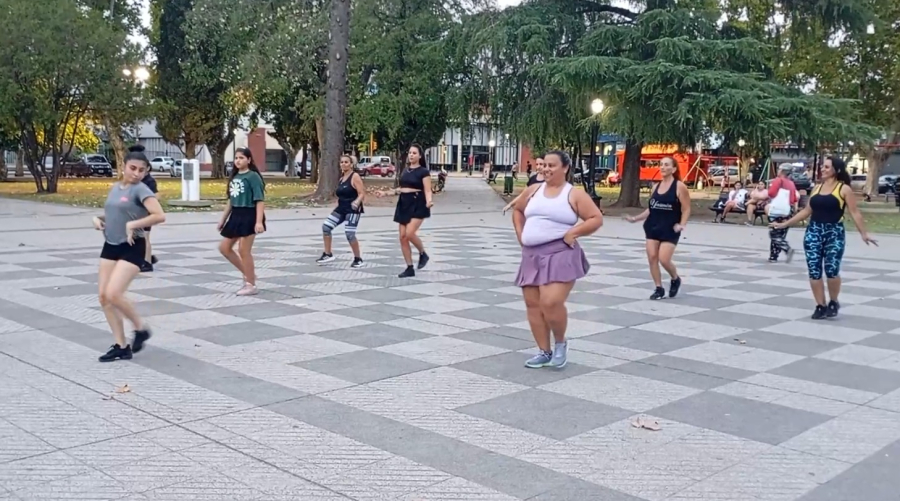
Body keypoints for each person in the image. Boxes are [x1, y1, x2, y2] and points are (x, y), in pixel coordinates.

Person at [513, 151, 603, 369]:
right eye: (544, 165)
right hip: (531, 254)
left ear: (565, 168)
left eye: (552, 165)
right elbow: (517, 210)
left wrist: (574, 232)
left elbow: (596, 218)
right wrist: (521, 236)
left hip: (560, 253)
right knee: (533, 304)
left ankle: (561, 343)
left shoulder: (574, 194)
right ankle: (544, 351)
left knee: (550, 301)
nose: (546, 169)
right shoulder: (534, 190)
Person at [771, 157, 877, 319]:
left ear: (836, 170)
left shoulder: (843, 189)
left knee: (832, 270)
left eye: (827, 167)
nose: (823, 169)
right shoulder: (817, 188)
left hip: (834, 233)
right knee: (814, 271)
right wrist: (785, 224)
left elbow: (854, 212)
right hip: (814, 232)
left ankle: (833, 301)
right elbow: (807, 211)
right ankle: (820, 305)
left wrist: (864, 233)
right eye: (823, 166)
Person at [94, 145, 166, 362]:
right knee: (104, 297)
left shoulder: (142, 190)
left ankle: (141, 328)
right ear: (123, 167)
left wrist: (134, 224)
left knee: (114, 293)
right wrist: (97, 220)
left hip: (133, 245)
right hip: (110, 244)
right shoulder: (116, 187)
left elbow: (159, 215)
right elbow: (113, 214)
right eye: (132, 168)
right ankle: (121, 345)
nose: (136, 173)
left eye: (141, 170)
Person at [625, 156, 691, 300]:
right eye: (661, 164)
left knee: (664, 259)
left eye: (666, 165)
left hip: (670, 228)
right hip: (653, 226)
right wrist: (635, 219)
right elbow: (651, 209)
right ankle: (658, 288)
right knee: (652, 258)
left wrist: (682, 224)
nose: (662, 167)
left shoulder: (679, 187)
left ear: (673, 169)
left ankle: (675, 278)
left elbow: (686, 209)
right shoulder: (655, 187)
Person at [376, 144, 433, 277]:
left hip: (418, 203)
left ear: (420, 156)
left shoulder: (424, 172)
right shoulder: (405, 170)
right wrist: (386, 193)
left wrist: (429, 201)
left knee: (409, 233)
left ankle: (422, 253)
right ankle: (409, 267)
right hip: (403, 203)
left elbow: (428, 189)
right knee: (402, 237)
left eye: (414, 153)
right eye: (410, 153)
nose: (411, 155)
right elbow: (401, 189)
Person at [217, 148, 266, 296]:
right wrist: (223, 219)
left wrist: (258, 222)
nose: (238, 161)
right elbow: (231, 201)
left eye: (242, 158)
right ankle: (248, 273)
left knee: (244, 250)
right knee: (224, 248)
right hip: (236, 215)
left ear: (249, 160)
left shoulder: (253, 177)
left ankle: (250, 284)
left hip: (249, 214)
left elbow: (260, 201)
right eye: (236, 158)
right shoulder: (235, 177)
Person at [317, 155, 365, 268]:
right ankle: (328, 254)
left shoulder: (355, 176)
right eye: (342, 162)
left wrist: (357, 202)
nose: (343, 164)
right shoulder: (341, 178)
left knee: (350, 234)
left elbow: (362, 193)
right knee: (326, 227)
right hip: (341, 209)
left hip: (352, 210)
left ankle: (358, 259)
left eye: (346, 162)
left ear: (351, 164)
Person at [766, 164, 799, 262]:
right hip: (787, 211)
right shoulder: (791, 183)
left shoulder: (778, 180)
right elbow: (793, 199)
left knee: (774, 234)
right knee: (780, 234)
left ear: (782, 171)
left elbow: (771, 193)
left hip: (776, 210)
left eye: (779, 169)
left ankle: (787, 249)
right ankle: (773, 256)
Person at [140, 169, 159, 272]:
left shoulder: (149, 181)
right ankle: (147, 257)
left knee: (145, 236)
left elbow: (156, 196)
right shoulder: (138, 180)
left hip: (146, 213)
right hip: (137, 212)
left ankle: (147, 262)